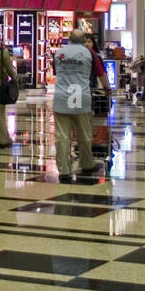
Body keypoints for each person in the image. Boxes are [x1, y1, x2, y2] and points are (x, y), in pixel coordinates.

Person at [52, 29, 103, 179]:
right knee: (85, 135)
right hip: (81, 98)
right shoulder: (90, 53)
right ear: (84, 40)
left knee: (62, 137)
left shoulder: (59, 53)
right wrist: (106, 88)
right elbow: (101, 73)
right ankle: (87, 164)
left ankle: (64, 170)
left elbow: (56, 72)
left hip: (61, 98)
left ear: (69, 39)